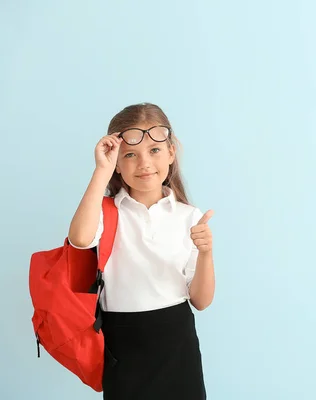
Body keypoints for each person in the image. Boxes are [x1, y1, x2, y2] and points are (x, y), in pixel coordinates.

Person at [67, 103, 214, 399]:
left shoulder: (189, 216)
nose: (144, 163)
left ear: (171, 153)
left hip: (176, 342)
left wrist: (206, 253)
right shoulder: (106, 212)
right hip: (123, 342)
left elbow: (201, 300)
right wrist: (101, 170)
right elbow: (80, 239)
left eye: (155, 151)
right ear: (117, 163)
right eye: (130, 155)